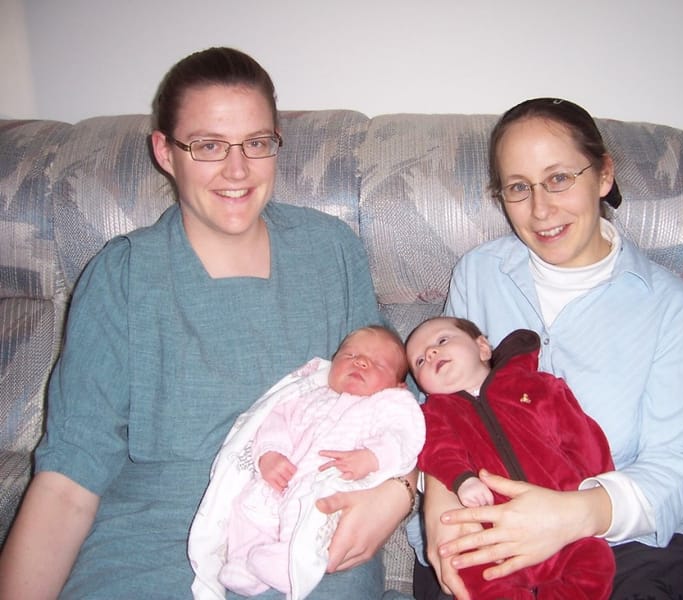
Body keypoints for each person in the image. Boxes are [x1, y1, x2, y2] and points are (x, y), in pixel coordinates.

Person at [0, 47, 415, 600]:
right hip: (155, 537)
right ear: (165, 153)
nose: (237, 170)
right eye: (209, 146)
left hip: (303, 529)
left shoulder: (330, 251)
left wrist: (398, 493)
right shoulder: (122, 274)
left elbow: (400, 404)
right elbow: (70, 476)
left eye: (257, 144)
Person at [419, 98, 683, 600]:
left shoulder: (670, 307)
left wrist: (572, 515)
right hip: (484, 532)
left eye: (558, 179)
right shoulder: (478, 273)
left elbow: (680, 461)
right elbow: (441, 410)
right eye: (518, 188)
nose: (540, 210)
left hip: (620, 545)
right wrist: (438, 515)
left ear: (602, 175)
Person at [191, 325, 425, 600]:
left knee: (307, 507)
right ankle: (243, 561)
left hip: (329, 482)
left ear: (398, 386)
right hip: (283, 477)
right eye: (350, 355)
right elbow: (275, 421)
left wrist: (372, 457)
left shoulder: (387, 406)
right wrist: (270, 454)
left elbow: (405, 437)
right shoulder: (307, 395)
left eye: (378, 364)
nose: (360, 362)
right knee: (246, 506)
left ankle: (289, 561)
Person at [406, 316, 614, 599]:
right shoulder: (436, 414)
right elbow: (436, 451)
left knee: (597, 562)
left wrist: (596, 482)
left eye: (442, 341)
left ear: (482, 347)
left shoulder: (537, 385)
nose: (430, 354)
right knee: (468, 571)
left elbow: (580, 434)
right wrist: (462, 479)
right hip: (490, 537)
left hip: (561, 524)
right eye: (419, 362)